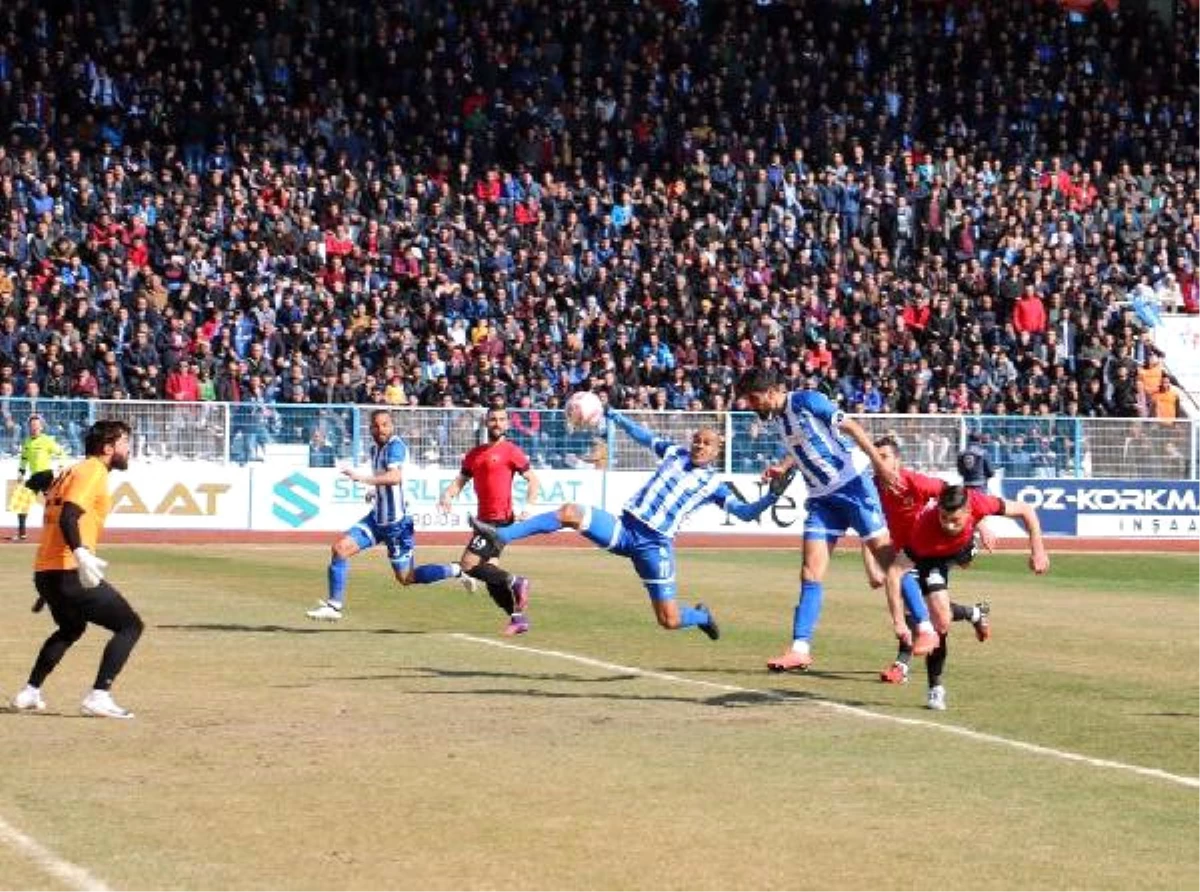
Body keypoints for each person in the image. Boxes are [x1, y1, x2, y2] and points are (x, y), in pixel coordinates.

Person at [469, 408, 792, 637]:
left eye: (706, 443)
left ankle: (702, 616)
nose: (698, 444)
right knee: (569, 511)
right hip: (625, 529)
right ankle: (502, 535)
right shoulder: (674, 453)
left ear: (717, 450)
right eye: (696, 439)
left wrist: (771, 497)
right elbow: (643, 436)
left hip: (654, 547)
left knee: (668, 620)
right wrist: (615, 416)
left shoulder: (714, 486)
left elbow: (745, 514)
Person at [736, 368, 898, 672]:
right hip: (822, 497)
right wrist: (784, 467)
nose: (752, 405)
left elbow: (853, 429)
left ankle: (925, 625)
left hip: (852, 485)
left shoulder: (808, 400)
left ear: (771, 392)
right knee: (810, 573)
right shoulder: (780, 419)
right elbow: (803, 447)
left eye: (754, 399)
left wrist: (880, 466)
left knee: (889, 563)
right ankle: (800, 648)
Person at [11, 420, 144, 719]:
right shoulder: (93, 470)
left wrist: (49, 590)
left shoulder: (71, 471)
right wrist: (81, 554)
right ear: (108, 448)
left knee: (71, 628)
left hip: (48, 571)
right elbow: (68, 516)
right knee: (130, 626)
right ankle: (99, 695)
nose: (128, 448)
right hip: (69, 570)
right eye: (125, 442)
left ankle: (30, 692)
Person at [885, 484, 1049, 711]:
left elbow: (1026, 510)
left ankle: (972, 613)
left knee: (946, 590)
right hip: (932, 558)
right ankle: (936, 686)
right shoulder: (924, 531)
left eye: (955, 520)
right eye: (944, 518)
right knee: (940, 619)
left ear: (969, 511)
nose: (949, 524)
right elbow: (894, 573)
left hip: (964, 549)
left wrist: (1038, 550)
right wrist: (899, 622)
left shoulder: (980, 503)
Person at [305, 409, 477, 621]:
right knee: (340, 549)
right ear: (370, 428)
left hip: (397, 525)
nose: (381, 430)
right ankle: (334, 606)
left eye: (385, 425)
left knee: (406, 578)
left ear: (392, 426)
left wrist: (364, 479)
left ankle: (455, 570)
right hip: (376, 518)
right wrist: (374, 491)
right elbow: (384, 479)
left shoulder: (396, 447)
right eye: (376, 426)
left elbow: (395, 477)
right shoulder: (374, 449)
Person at [872, 435, 994, 686]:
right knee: (934, 610)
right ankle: (974, 613)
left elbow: (953, 496)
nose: (878, 462)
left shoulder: (914, 482)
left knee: (916, 609)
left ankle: (902, 665)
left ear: (897, 460)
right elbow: (868, 528)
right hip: (904, 553)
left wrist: (980, 523)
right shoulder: (872, 487)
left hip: (929, 550)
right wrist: (871, 563)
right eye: (875, 458)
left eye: (884, 457)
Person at [436, 405, 538, 635]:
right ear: (486, 423)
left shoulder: (511, 451)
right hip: (484, 522)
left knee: (468, 565)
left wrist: (528, 507)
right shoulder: (474, 454)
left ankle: (517, 581)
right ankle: (517, 617)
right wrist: (448, 495)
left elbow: (533, 480)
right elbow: (460, 481)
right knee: (492, 575)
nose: (497, 423)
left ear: (508, 424)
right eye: (493, 419)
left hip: (499, 522)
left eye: (502, 419)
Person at [10, 413, 66, 541]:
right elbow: (24, 459)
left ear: (41, 427)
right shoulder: (27, 442)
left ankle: (62, 533)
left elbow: (61, 453)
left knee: (54, 506)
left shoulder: (47, 440)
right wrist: (21, 472)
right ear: (29, 427)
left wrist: (61, 466)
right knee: (21, 504)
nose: (34, 427)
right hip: (34, 477)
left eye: (36, 425)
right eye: (32, 425)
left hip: (46, 476)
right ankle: (22, 534)